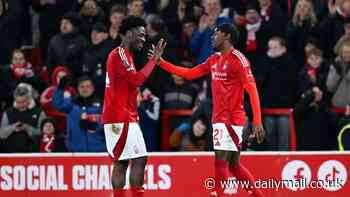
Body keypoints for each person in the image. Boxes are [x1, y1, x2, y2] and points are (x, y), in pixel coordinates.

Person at [154, 23, 265, 197]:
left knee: (220, 161)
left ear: (227, 36)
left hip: (231, 120)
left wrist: (257, 120)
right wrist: (162, 63)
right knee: (233, 166)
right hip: (219, 119)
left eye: (216, 34)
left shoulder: (239, 60)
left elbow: (252, 89)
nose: (212, 37)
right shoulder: (214, 59)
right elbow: (190, 73)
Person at [101, 16, 166, 197]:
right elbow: (137, 79)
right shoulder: (119, 54)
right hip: (118, 117)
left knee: (123, 162)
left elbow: (129, 85)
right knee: (137, 159)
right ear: (129, 33)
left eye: (145, 36)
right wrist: (154, 60)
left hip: (123, 115)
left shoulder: (126, 56)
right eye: (141, 35)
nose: (143, 40)